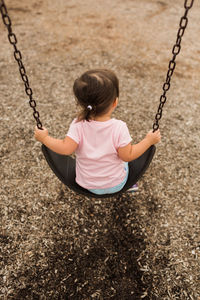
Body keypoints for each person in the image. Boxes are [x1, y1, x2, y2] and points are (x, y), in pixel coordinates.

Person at [34, 69, 161, 195]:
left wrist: (44, 138)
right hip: (117, 184)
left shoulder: (78, 125)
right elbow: (127, 155)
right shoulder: (119, 128)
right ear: (115, 102)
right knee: (125, 160)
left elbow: (65, 149)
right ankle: (130, 185)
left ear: (81, 103)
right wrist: (148, 140)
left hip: (87, 184)